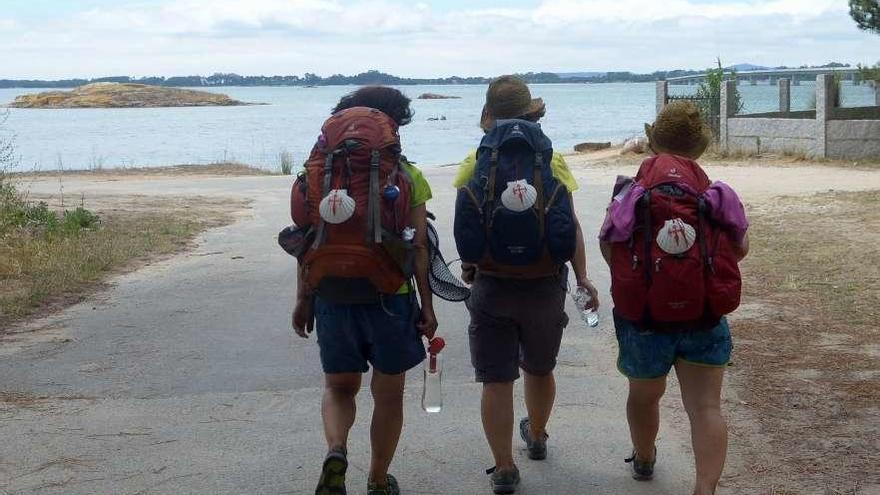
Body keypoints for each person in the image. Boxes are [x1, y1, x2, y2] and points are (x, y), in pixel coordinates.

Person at [453, 75, 599, 494]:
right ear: (533, 114)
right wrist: (583, 276)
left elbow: (468, 220)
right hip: (544, 283)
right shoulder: (551, 160)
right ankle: (536, 434)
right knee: (539, 368)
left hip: (493, 284)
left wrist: (470, 265)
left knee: (496, 379)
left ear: (487, 115)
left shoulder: (474, 160)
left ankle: (503, 467)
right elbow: (568, 224)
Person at [291, 86, 438, 495]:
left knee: (339, 388)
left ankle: (336, 448)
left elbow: (306, 240)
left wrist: (304, 299)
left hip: (333, 296)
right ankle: (376, 479)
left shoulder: (315, 176)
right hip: (390, 298)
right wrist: (427, 306)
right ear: (393, 128)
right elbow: (419, 247)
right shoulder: (408, 176)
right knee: (388, 396)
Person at [599, 101, 749, 495]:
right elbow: (741, 248)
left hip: (645, 320)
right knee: (705, 408)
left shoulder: (632, 193)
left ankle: (645, 456)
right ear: (699, 149)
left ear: (653, 143)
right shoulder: (716, 194)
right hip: (704, 316)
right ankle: (704, 489)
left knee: (644, 397)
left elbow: (609, 247)